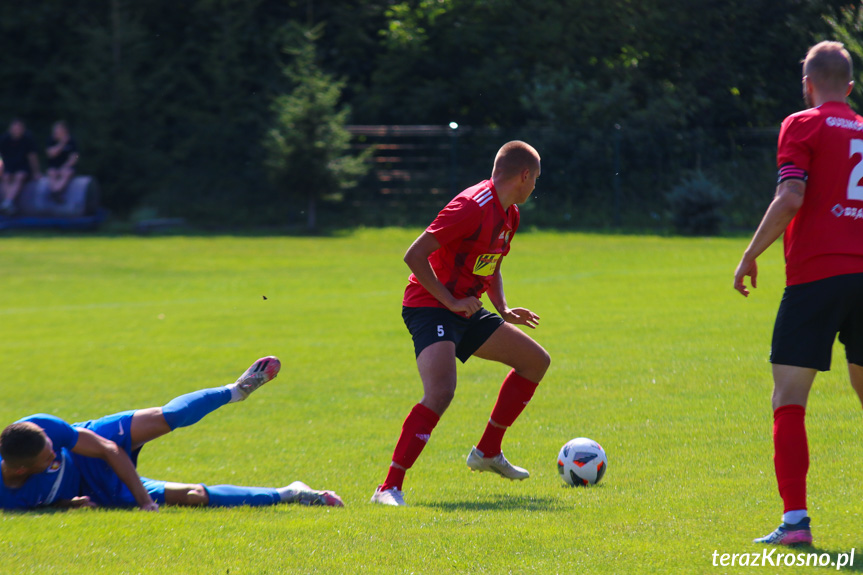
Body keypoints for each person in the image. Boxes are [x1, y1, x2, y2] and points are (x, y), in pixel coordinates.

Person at [371, 140, 551, 506]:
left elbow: (491, 262)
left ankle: (487, 452)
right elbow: (414, 255)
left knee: (535, 361)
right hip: (430, 306)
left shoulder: (510, 214)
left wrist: (502, 307)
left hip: (465, 309)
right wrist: (450, 300)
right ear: (524, 175)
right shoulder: (471, 206)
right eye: (536, 179)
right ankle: (387, 488)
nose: (535, 187)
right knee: (441, 392)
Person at [734, 41, 863, 546]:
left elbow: (791, 195)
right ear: (849, 87)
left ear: (808, 85)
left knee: (788, 398)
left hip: (816, 277)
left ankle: (795, 524)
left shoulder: (802, 123)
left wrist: (750, 254)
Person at [0, 356, 344, 510]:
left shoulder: (46, 429)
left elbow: (108, 448)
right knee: (195, 496)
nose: (54, 453)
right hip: (101, 488)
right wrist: (66, 506)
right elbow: (40, 507)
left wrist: (145, 502)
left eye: (52, 448)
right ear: (20, 469)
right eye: (49, 458)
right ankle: (291, 493)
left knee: (170, 416)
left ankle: (235, 390)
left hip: (98, 446)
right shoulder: (7, 498)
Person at [0, 118, 41, 215]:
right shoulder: (5, 139)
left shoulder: (27, 139)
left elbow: (32, 157)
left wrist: (36, 172)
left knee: (20, 176)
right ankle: (8, 203)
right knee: (6, 177)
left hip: (23, 166)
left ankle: (8, 202)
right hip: (9, 166)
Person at [45, 121, 79, 199]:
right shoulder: (51, 140)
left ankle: (56, 192)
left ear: (64, 131)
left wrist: (67, 165)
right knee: (51, 172)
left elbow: (76, 156)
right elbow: (51, 154)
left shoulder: (72, 141)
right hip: (54, 166)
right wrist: (62, 143)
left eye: (57, 130)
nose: (55, 132)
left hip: (67, 166)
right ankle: (54, 192)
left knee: (66, 173)